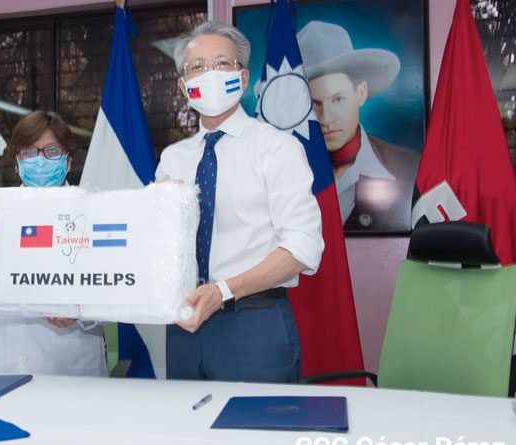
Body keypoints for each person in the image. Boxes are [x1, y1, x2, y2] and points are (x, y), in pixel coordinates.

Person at [156, 21, 324, 382]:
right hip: (183, 327)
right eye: (197, 67)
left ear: (244, 79)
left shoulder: (277, 149)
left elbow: (303, 246)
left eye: (222, 64)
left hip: (254, 325)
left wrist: (224, 291)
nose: (210, 74)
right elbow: (156, 241)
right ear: (183, 86)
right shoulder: (173, 159)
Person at [0, 111, 107, 376]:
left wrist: (81, 313)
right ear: (16, 164)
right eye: (28, 152)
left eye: (51, 151)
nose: (39, 160)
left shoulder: (93, 214)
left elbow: (116, 286)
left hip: (69, 372)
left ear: (68, 161)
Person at [297, 20, 421, 232]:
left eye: (338, 99)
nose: (326, 118)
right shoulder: (283, 169)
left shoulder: (409, 166)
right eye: (314, 104)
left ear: (361, 93)